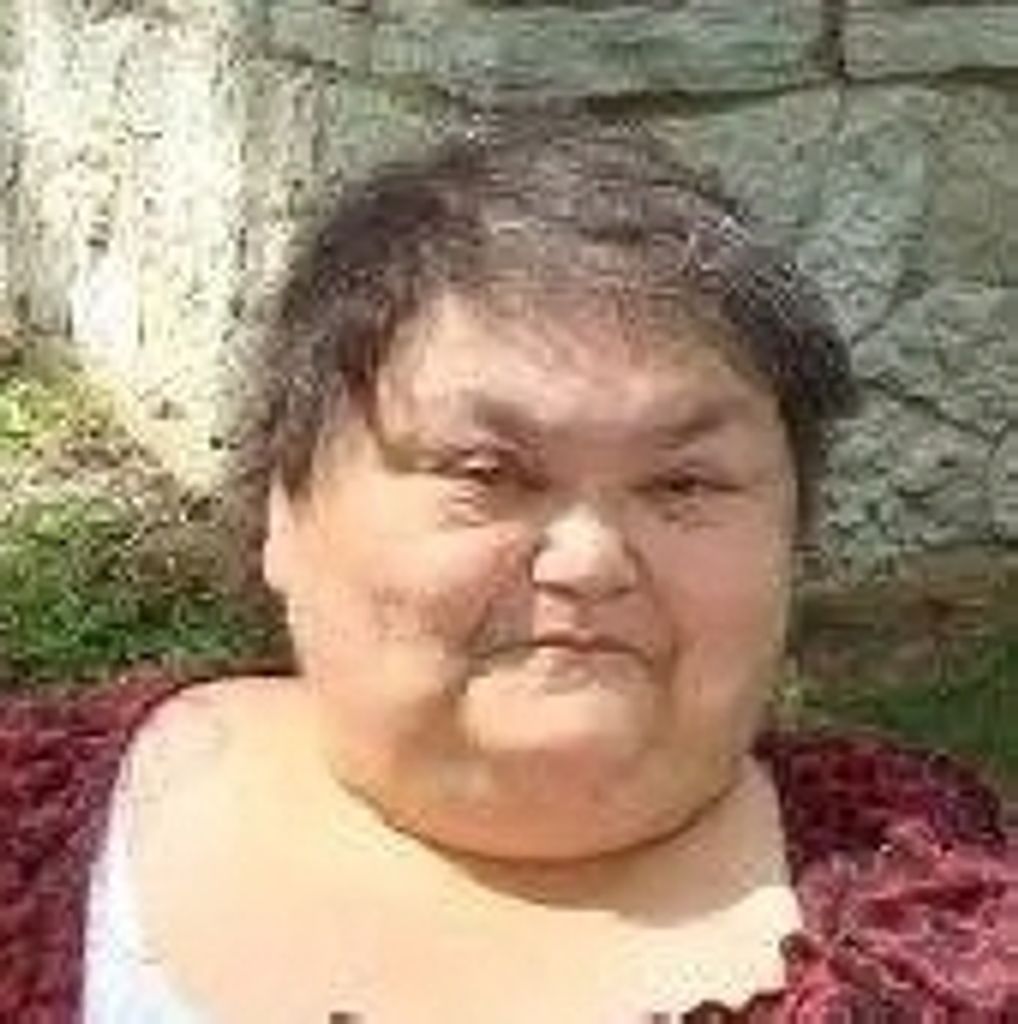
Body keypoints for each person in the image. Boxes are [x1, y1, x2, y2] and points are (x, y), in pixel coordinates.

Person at [1, 118, 1014, 1023]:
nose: (589, 561)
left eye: (684, 483)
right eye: (486, 472)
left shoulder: (951, 931)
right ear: (285, 506)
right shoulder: (28, 825)